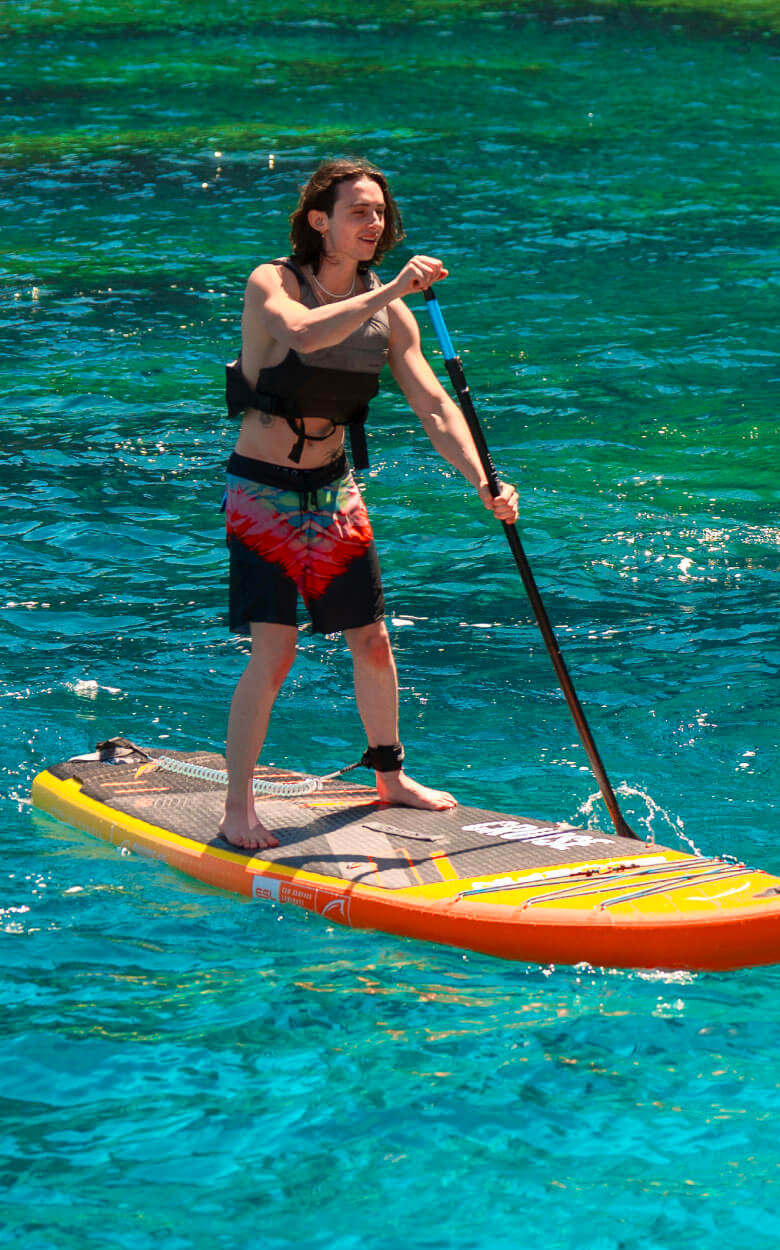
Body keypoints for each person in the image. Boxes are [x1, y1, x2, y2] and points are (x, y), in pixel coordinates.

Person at [220, 158, 519, 849]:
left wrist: (484, 481)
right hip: (261, 493)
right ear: (319, 221)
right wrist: (391, 295)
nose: (374, 224)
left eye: (380, 213)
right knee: (276, 651)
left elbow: (436, 409)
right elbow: (303, 333)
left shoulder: (392, 315)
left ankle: (389, 775)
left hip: (331, 491)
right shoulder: (273, 282)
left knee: (373, 639)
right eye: (359, 211)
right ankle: (239, 807)